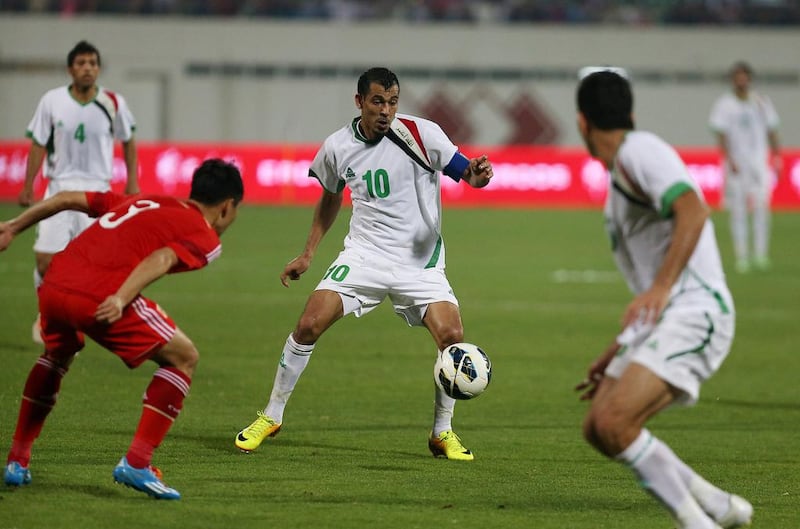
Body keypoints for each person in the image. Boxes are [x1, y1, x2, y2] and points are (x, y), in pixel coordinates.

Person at [234, 67, 493, 460]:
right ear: (359, 102)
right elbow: (330, 196)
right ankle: (271, 415)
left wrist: (478, 174)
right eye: (377, 102)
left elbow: (468, 174)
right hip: (364, 256)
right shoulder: (338, 146)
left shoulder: (423, 134)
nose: (386, 110)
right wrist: (308, 253)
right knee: (308, 324)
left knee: (452, 338)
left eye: (392, 102)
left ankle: (442, 432)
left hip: (420, 265)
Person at [2, 159, 244, 500]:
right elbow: (161, 259)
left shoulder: (146, 199)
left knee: (58, 354)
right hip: (99, 296)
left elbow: (66, 197)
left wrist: (13, 226)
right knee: (183, 357)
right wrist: (119, 298)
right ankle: (137, 462)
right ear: (227, 207)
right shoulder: (205, 236)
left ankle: (17, 460)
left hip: (54, 284)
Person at [574, 69, 752, 529]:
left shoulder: (641, 152)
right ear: (629, 112)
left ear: (582, 123)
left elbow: (693, 209)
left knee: (615, 422)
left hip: (697, 311)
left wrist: (661, 288)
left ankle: (698, 523)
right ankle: (718, 506)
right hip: (665, 317)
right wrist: (621, 343)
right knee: (599, 427)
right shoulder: (621, 174)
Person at [20, 40, 139, 343]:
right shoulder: (52, 101)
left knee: (92, 263)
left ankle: (74, 319)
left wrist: (132, 181)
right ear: (70, 68)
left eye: (93, 63)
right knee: (45, 261)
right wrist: (28, 184)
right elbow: (37, 143)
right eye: (81, 63)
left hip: (97, 190)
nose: (88, 68)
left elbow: (128, 139)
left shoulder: (114, 101)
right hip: (59, 187)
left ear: (98, 69)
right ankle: (45, 314)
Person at [709, 61, 781, 273]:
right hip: (736, 164)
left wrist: (777, 156)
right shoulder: (724, 104)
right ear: (733, 80)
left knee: (761, 207)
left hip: (759, 162)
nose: (741, 80)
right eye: (737, 76)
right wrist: (729, 159)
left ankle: (760, 254)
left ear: (749, 78)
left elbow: (772, 130)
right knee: (738, 210)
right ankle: (742, 256)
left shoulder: (761, 102)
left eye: (744, 76)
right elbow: (720, 134)